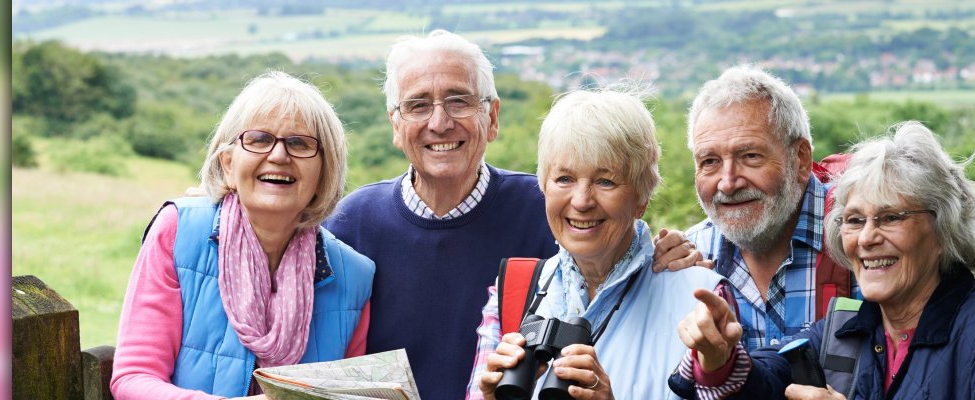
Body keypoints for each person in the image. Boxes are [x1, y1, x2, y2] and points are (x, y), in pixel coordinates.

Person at [322, 30, 699, 399]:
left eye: (459, 101)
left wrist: (675, 250)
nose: (439, 123)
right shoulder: (353, 223)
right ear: (395, 125)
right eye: (418, 105)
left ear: (493, 116)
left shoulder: (549, 208)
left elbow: (618, 235)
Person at [670, 122, 975, 399]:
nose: (866, 238)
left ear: (943, 230)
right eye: (855, 220)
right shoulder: (848, 324)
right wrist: (718, 357)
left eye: (891, 217)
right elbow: (765, 380)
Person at [111, 71, 374, 399]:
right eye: (259, 139)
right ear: (228, 163)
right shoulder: (178, 232)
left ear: (324, 173)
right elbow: (134, 377)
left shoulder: (355, 276)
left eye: (299, 143)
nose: (279, 156)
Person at [469, 88, 731, 400]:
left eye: (605, 182)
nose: (581, 202)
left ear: (642, 197)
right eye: (564, 179)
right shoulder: (513, 290)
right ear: (543, 186)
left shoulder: (702, 299)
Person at [667, 66, 856, 352]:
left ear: (801, 159)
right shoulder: (686, 261)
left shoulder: (865, 240)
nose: (728, 184)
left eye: (750, 156)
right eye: (709, 162)